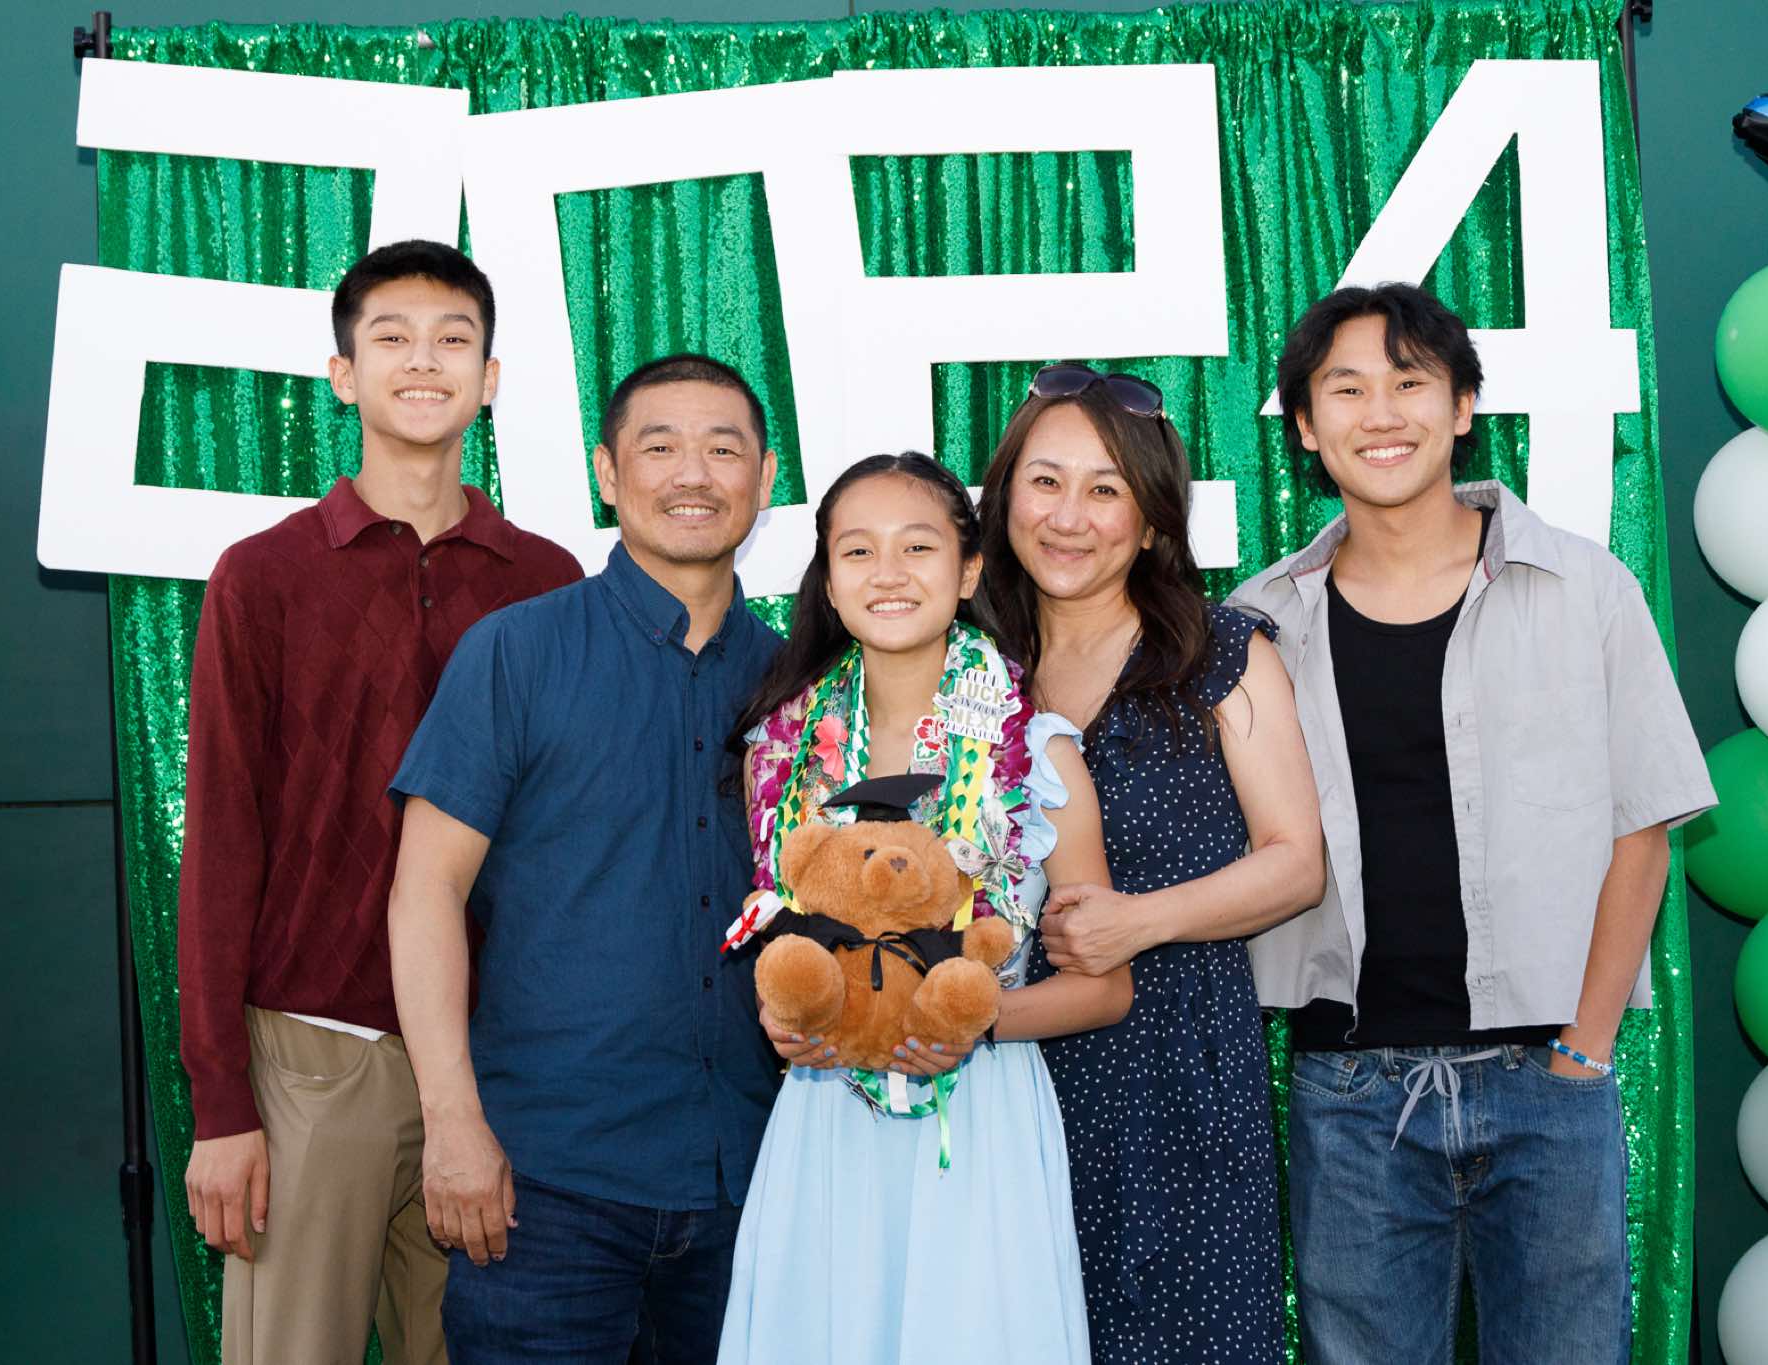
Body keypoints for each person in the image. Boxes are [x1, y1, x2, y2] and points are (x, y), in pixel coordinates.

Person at [1230, 283, 1717, 1364]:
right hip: (1349, 1091)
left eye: (1409, 382)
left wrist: (1584, 1050)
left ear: (1460, 408)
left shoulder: (1582, 586)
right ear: (1304, 426)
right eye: (1345, 389)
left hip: (1547, 1082)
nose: (1381, 413)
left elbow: (1642, 824)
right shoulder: (1261, 623)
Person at [176, 238, 583, 1365]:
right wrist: (222, 1099)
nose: (422, 361)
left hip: (497, 1059)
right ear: (343, 375)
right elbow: (222, 838)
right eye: (391, 338)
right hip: (315, 1053)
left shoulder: (547, 582)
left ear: (489, 379)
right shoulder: (264, 575)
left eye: (453, 340)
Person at [386, 354, 782, 1364]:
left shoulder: (795, 679)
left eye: (722, 448)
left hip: (752, 1180)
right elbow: (425, 889)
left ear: (764, 477)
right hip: (544, 1189)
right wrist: (452, 1123)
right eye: (660, 446)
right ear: (607, 473)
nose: (691, 474)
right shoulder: (515, 652)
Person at [718, 451, 1131, 1365]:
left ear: (970, 569)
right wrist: (785, 1017)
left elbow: (1106, 989)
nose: (889, 573)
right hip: (827, 1119)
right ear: (829, 580)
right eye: (857, 551)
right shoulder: (780, 750)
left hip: (978, 1120)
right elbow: (780, 941)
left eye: (918, 546)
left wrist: (965, 1021)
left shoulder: (1040, 753)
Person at [972, 364, 1323, 1363]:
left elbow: (1295, 862)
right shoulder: (969, 666)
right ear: (1003, 498)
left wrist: (1138, 919)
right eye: (1045, 482)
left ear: (1152, 519)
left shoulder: (1218, 652)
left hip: (1180, 1075)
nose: (1067, 517)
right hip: (1008, 1075)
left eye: (1105, 489)